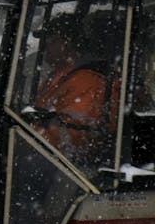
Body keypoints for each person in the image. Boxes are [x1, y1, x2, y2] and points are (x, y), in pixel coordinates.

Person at [32, 14, 115, 165]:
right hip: (50, 158)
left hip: (72, 169)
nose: (44, 46)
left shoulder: (87, 79)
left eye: (52, 40)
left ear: (68, 42)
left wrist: (31, 137)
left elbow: (77, 136)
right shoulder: (58, 75)